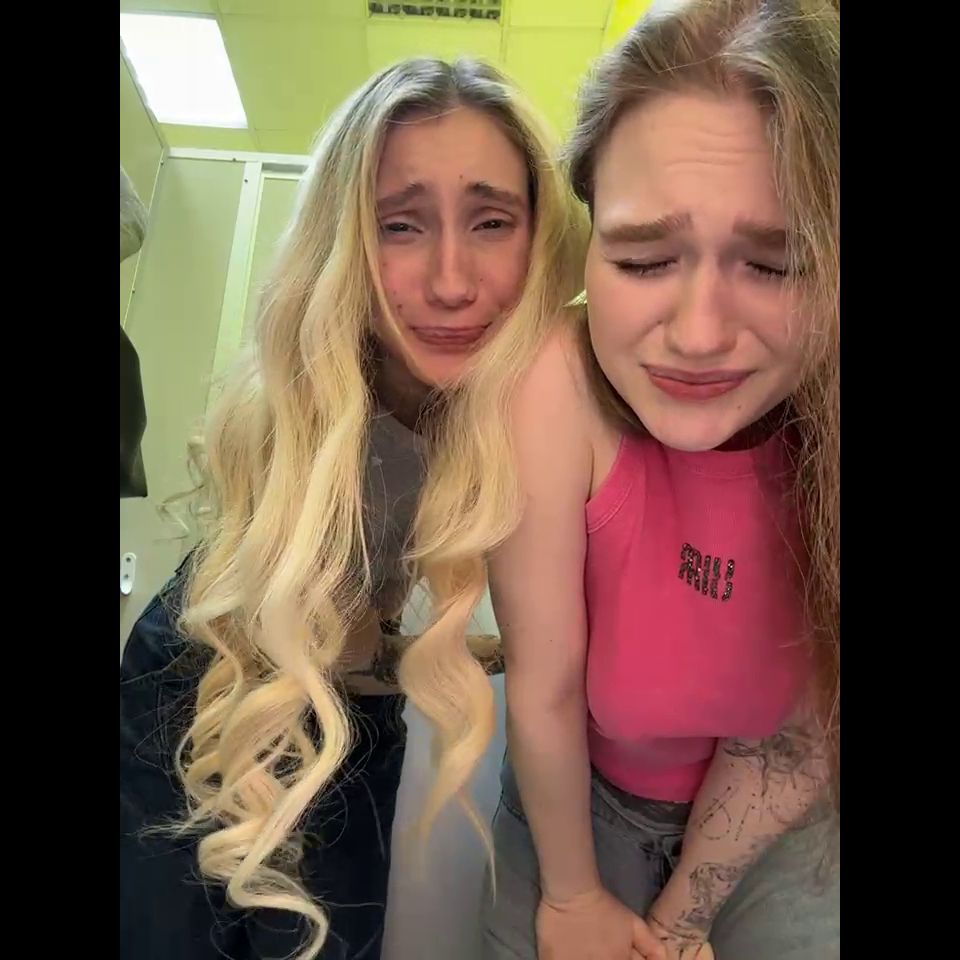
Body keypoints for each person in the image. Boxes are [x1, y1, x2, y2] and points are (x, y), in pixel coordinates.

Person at [119, 56, 585, 960]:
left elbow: (349, 620)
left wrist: (427, 653)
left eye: (491, 220)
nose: (450, 281)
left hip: (345, 704)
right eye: (399, 225)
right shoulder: (337, 395)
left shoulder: (495, 390)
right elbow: (304, 618)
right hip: (208, 696)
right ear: (346, 241)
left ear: (540, 234)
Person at [407, 3, 840, 958]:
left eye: (775, 266)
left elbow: (797, 738)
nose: (698, 334)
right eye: (644, 259)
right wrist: (572, 901)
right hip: (579, 799)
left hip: (782, 822)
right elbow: (547, 690)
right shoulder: (551, 386)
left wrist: (678, 927)